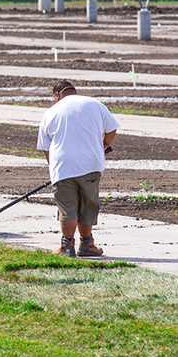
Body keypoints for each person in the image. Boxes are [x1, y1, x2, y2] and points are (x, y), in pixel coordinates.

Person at [37, 81, 119, 257]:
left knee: (68, 207)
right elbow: (112, 128)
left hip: (63, 166)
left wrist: (54, 169)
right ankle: (87, 243)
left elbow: (46, 146)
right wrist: (104, 145)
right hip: (91, 164)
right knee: (87, 204)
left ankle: (67, 246)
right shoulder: (94, 104)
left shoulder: (51, 111)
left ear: (57, 96)